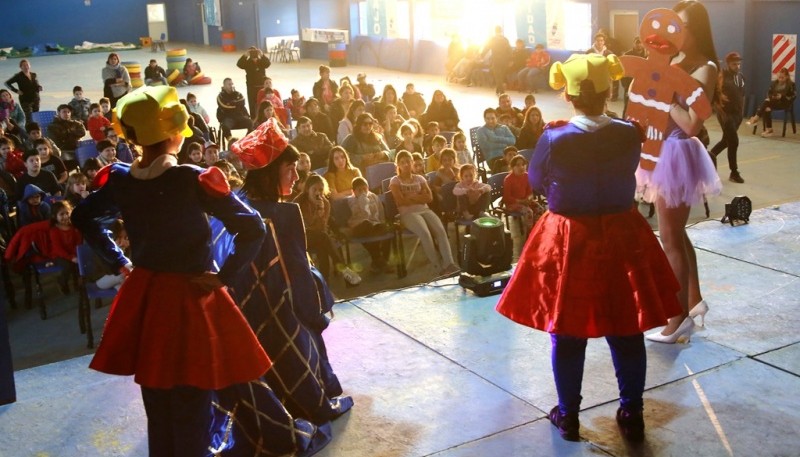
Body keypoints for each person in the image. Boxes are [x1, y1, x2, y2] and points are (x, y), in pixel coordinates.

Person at [71, 86, 312, 456]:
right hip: (192, 302)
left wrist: (121, 261)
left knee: (159, 406)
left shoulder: (120, 179)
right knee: (192, 405)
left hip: (147, 300)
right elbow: (253, 228)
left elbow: (83, 217)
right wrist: (224, 276)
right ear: (173, 134)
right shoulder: (191, 179)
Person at [495, 53, 682, 443]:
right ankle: (632, 412)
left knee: (567, 329)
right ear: (608, 90)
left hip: (569, 238)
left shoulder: (554, 135)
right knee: (626, 326)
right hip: (621, 234)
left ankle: (569, 416)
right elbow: (632, 166)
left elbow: (535, 179)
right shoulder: (630, 131)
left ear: (569, 95)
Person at [223, 120, 354, 443]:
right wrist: (314, 313)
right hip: (282, 313)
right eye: (291, 169)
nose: (296, 177)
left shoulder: (235, 203)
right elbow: (298, 273)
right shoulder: (284, 214)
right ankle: (316, 404)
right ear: (271, 173)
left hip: (241, 312)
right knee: (304, 336)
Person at [639, 1, 722, 343]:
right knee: (677, 235)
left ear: (697, 29)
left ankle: (676, 321)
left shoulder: (706, 68)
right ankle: (693, 302)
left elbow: (690, 125)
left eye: (683, 26)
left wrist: (665, 95)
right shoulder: (675, 62)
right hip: (661, 150)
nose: (676, 33)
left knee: (669, 238)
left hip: (677, 152)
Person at [389, 150, 459, 277]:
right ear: (398, 165)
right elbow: (400, 201)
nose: (406, 165)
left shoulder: (420, 178)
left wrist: (410, 197)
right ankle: (438, 267)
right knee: (425, 233)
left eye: (408, 161)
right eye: (403, 162)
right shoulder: (395, 180)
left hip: (425, 209)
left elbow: (429, 198)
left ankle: (449, 264)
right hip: (408, 213)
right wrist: (418, 196)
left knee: (440, 230)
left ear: (412, 162)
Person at [294, 173, 362, 286]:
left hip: (318, 237)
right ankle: (344, 269)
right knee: (323, 238)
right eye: (314, 189)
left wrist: (320, 214)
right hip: (299, 237)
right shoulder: (299, 202)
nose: (318, 192)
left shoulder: (325, 203)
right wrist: (315, 214)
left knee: (323, 246)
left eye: (320, 189)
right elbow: (304, 226)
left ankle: (325, 283)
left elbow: (321, 229)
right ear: (307, 190)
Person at [710, 52, 746, 183]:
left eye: (738, 64)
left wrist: (741, 113)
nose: (737, 66)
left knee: (726, 141)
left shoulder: (741, 77)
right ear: (728, 64)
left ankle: (710, 155)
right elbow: (714, 94)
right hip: (726, 114)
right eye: (734, 64)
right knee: (734, 141)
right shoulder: (721, 77)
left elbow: (742, 95)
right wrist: (720, 110)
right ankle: (734, 172)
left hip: (737, 115)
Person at [347, 176, 392, 272]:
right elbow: (363, 214)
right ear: (354, 192)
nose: (363, 192)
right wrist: (362, 200)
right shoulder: (351, 200)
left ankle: (380, 261)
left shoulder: (373, 196)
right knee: (367, 224)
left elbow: (380, 211)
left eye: (365, 189)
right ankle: (381, 263)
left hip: (374, 225)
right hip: (359, 226)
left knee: (387, 229)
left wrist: (382, 222)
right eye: (359, 190)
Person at [502, 154, 540, 260]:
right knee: (528, 212)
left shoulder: (527, 176)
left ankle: (537, 230)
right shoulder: (508, 179)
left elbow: (530, 192)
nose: (521, 167)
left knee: (539, 209)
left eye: (523, 165)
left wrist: (529, 198)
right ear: (512, 167)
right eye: (518, 165)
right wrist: (521, 201)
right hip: (513, 204)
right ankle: (530, 234)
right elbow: (507, 198)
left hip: (524, 201)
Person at [748, 67, 797, 137]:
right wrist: (773, 97)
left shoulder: (791, 84)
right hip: (774, 101)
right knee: (767, 107)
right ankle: (769, 130)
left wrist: (782, 97)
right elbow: (768, 93)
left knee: (766, 103)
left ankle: (756, 119)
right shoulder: (774, 83)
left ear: (786, 77)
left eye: (782, 78)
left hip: (785, 103)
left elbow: (793, 96)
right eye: (779, 77)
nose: (780, 79)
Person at [48, 200, 82, 295]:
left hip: (73, 253)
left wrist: (76, 254)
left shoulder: (74, 227)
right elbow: (58, 249)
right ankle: (62, 282)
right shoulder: (54, 231)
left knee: (79, 264)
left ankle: (78, 284)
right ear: (55, 216)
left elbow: (78, 242)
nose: (66, 216)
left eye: (67, 213)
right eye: (61, 214)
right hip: (60, 255)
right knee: (67, 266)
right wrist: (71, 257)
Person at [476, 108, 516, 172]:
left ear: (497, 118)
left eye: (493, 118)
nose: (490, 121)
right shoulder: (481, 130)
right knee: (504, 167)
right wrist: (504, 144)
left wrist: (494, 138)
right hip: (493, 158)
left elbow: (513, 141)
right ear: (484, 119)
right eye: (488, 119)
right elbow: (486, 146)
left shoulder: (504, 128)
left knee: (520, 162)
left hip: (508, 156)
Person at [47, 104, 86, 168]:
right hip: (63, 149)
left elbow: (82, 132)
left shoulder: (75, 123)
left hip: (76, 148)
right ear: (59, 113)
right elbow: (56, 140)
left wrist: (69, 133)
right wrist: (73, 134)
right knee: (68, 162)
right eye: (64, 112)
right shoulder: (52, 126)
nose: (67, 114)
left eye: (68, 112)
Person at [237, 46, 271, 117]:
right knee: (252, 104)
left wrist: (262, 55)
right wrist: (245, 55)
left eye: (255, 52)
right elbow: (239, 64)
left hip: (262, 85)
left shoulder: (261, 61)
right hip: (251, 86)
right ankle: (253, 118)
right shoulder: (247, 62)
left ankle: (264, 117)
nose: (253, 54)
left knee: (263, 103)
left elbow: (268, 64)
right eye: (251, 52)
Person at [5, 59, 42, 123]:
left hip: (36, 98)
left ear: (29, 66)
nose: (26, 66)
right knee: (29, 118)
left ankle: (36, 130)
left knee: (36, 116)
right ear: (21, 67)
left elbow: (36, 84)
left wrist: (39, 87)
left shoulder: (34, 75)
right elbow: (7, 83)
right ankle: (29, 131)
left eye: (27, 65)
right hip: (25, 100)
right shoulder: (18, 76)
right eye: (24, 65)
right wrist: (16, 90)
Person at [217, 77, 253, 142]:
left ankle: (245, 141)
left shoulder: (238, 94)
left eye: (232, 84)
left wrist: (231, 103)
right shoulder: (220, 96)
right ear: (224, 86)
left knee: (251, 123)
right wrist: (237, 104)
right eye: (229, 84)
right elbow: (225, 106)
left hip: (240, 116)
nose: (231, 86)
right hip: (228, 117)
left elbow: (243, 101)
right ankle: (231, 142)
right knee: (225, 126)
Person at [621, 37, 648, 117]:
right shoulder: (627, 55)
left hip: (643, 86)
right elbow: (623, 72)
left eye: (640, 43)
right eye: (637, 43)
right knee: (627, 106)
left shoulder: (646, 55)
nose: (639, 45)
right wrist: (626, 85)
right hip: (629, 84)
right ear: (634, 43)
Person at [482, 26, 512, 95]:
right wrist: (510, 59)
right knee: (501, 75)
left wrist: (482, 55)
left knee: (497, 75)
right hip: (504, 60)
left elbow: (487, 47)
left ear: (495, 31)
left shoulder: (493, 39)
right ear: (501, 31)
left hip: (496, 60)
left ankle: (501, 91)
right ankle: (498, 90)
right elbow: (509, 50)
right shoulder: (505, 39)